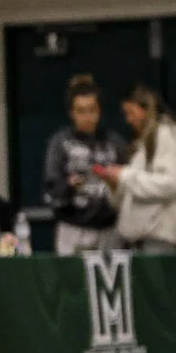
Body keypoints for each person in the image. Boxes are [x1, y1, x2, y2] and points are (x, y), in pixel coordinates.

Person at [45, 75, 127, 255]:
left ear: (99, 111)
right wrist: (68, 185)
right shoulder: (60, 143)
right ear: (71, 113)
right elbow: (51, 186)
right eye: (81, 111)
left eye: (92, 110)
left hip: (110, 228)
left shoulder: (115, 143)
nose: (87, 117)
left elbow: (128, 182)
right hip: (73, 227)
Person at [105, 85, 176, 255]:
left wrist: (124, 176)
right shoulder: (142, 143)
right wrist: (115, 184)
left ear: (145, 109)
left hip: (157, 241)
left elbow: (170, 184)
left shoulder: (165, 134)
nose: (128, 120)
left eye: (131, 112)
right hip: (135, 241)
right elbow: (134, 189)